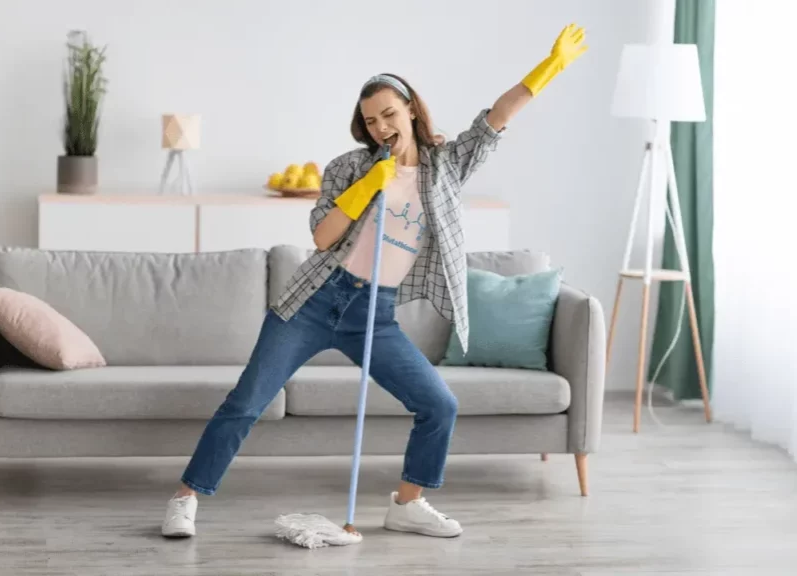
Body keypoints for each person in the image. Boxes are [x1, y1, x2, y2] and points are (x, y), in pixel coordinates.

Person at [161, 23, 587, 539]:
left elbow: (495, 118)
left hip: (375, 314)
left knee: (438, 405)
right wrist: (368, 185)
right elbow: (322, 237)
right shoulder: (349, 168)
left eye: (389, 113)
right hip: (314, 301)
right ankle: (186, 498)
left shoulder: (446, 165)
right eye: (371, 120)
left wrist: (548, 68)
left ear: (410, 110)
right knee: (246, 403)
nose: (382, 125)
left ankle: (407, 504)